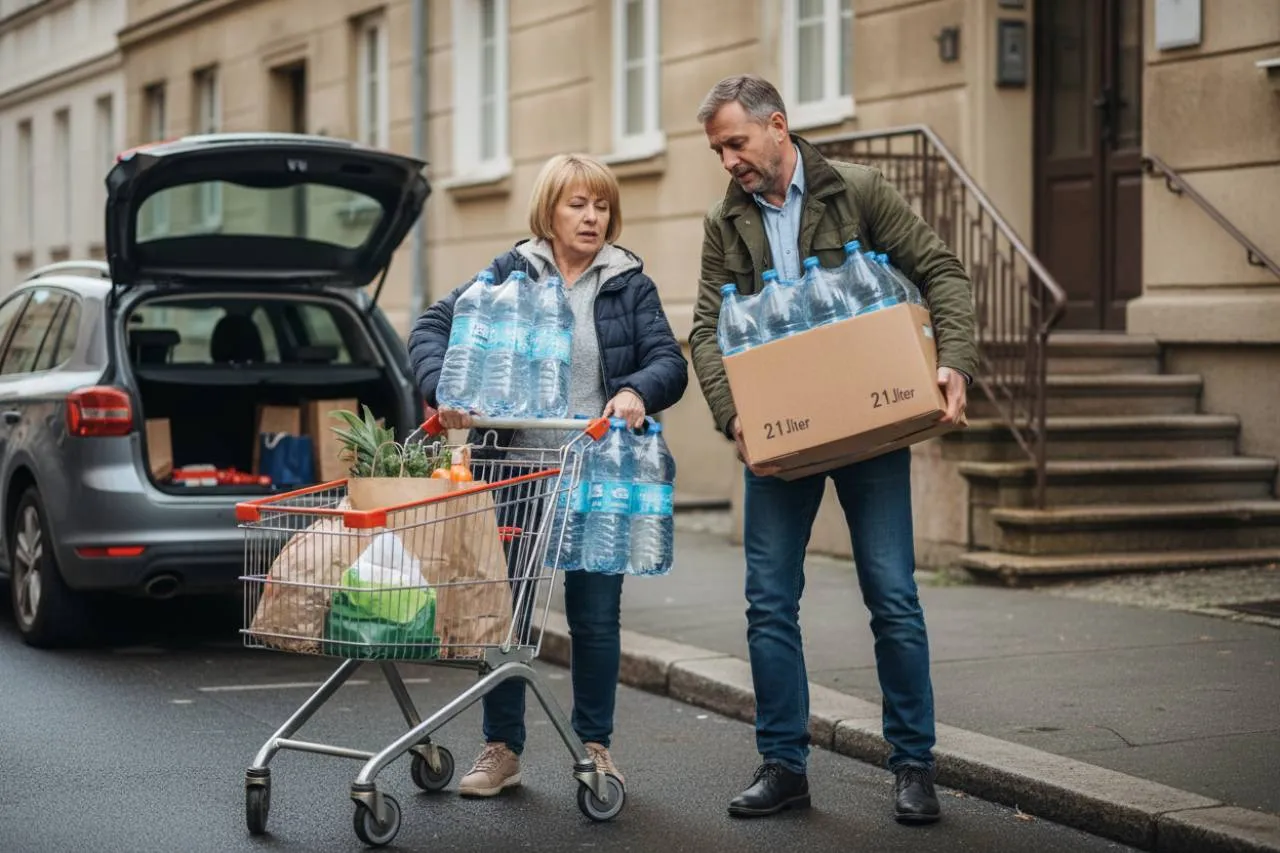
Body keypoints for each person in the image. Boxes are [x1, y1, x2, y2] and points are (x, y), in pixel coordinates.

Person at [688, 75, 977, 824]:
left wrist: (954, 360)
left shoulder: (858, 190)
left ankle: (913, 765)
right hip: (783, 436)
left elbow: (941, 270)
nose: (728, 161)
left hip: (871, 426)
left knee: (893, 595)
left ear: (777, 126)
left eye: (735, 143)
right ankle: (784, 764)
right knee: (768, 603)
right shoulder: (726, 220)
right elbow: (705, 332)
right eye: (718, 150)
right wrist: (734, 417)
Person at [408, 152, 688, 798]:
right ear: (549, 212)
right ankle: (502, 748)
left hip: (595, 474)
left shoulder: (628, 283)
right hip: (515, 472)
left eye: (602, 206)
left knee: (595, 618)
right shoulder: (510, 273)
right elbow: (431, 327)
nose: (592, 218)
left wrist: (637, 390)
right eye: (578, 205)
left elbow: (667, 362)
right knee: (506, 613)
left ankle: (594, 747)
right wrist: (445, 389)